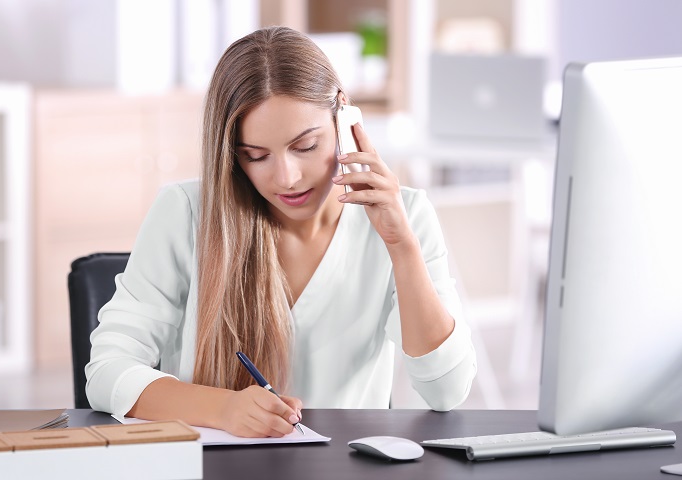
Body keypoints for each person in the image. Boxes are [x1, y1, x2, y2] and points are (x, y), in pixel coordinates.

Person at [86, 26, 476, 438]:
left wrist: (401, 247)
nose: (287, 178)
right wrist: (223, 408)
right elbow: (108, 371)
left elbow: (446, 391)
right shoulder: (184, 212)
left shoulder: (407, 213)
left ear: (344, 119)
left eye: (306, 146)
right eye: (256, 156)